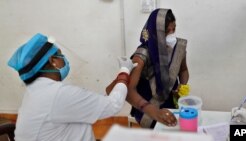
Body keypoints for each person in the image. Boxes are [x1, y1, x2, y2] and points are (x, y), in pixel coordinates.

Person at [7, 33, 137, 141]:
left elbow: (92, 104)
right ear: (53, 61)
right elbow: (113, 105)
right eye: (60, 55)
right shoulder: (57, 94)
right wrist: (125, 70)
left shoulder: (36, 91)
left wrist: (119, 79)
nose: (64, 59)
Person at [127, 8, 190, 128]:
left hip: (171, 102)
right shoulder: (141, 56)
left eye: (174, 29)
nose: (172, 35)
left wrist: (182, 86)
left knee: (176, 130)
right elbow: (129, 92)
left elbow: (183, 70)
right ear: (155, 32)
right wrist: (153, 111)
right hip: (147, 107)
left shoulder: (178, 49)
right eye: (166, 31)